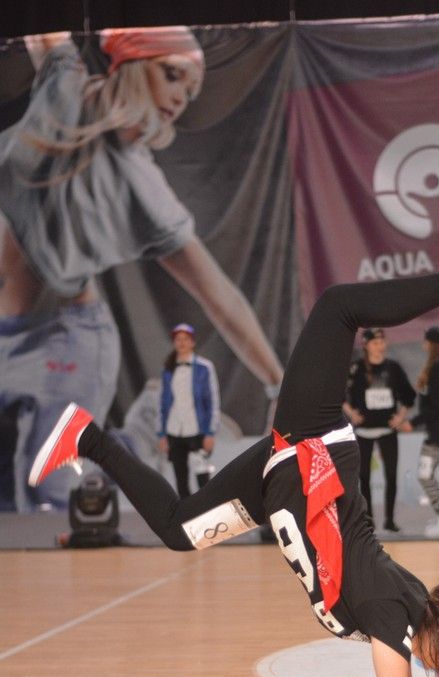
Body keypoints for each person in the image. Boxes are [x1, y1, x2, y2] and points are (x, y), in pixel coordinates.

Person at [29, 216, 439, 677]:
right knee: (338, 307)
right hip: (311, 448)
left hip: (279, 480)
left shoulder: (402, 611)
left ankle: (86, 437)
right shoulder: (390, 612)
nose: (432, 672)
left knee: (177, 530)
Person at [0, 27, 282, 512]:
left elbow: (218, 294)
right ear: (132, 63)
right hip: (6, 332)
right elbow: (45, 29)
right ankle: (128, 439)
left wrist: (279, 383)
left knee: (46, 495)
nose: (179, 99)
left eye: (189, 92)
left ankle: (141, 435)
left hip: (64, 342)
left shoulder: (143, 187)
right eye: (172, 76)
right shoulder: (64, 85)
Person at [343, 328, 415, 532]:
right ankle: (369, 519)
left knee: (391, 475)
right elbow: (340, 394)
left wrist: (400, 417)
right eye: (375, 343)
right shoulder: (356, 368)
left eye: (382, 342)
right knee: (364, 476)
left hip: (387, 430)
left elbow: (409, 395)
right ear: (366, 345)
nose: (380, 346)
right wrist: (351, 413)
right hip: (364, 431)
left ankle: (390, 519)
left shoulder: (393, 368)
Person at [403, 326, 439, 538]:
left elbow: (437, 406)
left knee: (425, 475)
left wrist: (413, 422)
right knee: (426, 474)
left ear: (433, 344)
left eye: (426, 341)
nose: (423, 344)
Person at [158, 322, 221, 497]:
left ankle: (206, 509)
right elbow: (163, 403)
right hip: (174, 430)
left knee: (202, 475)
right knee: (180, 477)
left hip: (197, 430)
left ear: (192, 342)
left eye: (185, 339)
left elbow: (212, 401)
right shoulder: (168, 369)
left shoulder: (204, 368)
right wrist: (162, 433)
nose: (182, 342)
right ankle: (185, 512)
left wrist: (210, 432)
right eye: (178, 339)